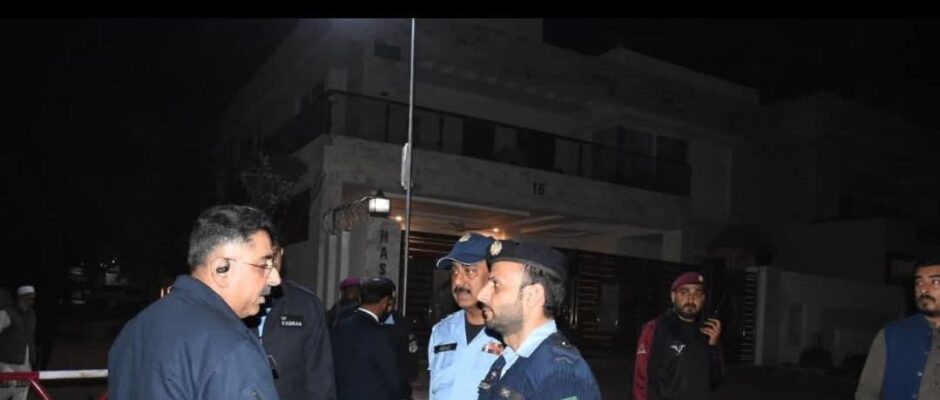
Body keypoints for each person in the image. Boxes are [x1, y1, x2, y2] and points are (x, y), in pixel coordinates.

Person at [108, 204, 282, 399]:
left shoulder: (135, 329)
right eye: (264, 265)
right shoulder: (231, 349)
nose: (275, 279)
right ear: (221, 269)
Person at [475, 240, 601, 400]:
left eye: (496, 284)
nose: (481, 295)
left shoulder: (560, 374)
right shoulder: (510, 358)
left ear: (532, 295)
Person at [248, 244, 336, 400]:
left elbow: (321, 379)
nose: (269, 266)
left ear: (281, 253)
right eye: (263, 258)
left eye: (273, 256)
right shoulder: (227, 302)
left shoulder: (305, 304)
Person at [427, 233, 503, 400]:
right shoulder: (441, 332)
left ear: (493, 277)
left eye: (469, 271)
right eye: (454, 271)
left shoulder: (511, 334)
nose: (458, 281)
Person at [856, 257, 940, 400]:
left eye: (935, 282)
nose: (923, 289)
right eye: (919, 282)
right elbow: (866, 392)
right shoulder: (892, 334)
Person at [633, 271, 723, 400]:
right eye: (684, 292)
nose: (691, 298)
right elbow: (641, 378)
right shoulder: (655, 328)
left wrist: (713, 347)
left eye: (697, 293)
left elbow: (714, 381)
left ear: (703, 298)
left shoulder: (708, 332)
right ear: (673, 296)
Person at [332, 277, 409, 400]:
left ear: (360, 298)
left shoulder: (342, 324)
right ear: (384, 302)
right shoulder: (379, 332)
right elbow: (393, 376)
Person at [0, 286, 37, 400]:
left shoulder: (31, 314)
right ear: (22, 297)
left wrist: (32, 358)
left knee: (22, 392)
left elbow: (30, 338)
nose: (32, 300)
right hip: (8, 363)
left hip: (26, 362)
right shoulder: (6, 313)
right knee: (6, 390)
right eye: (30, 297)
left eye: (33, 298)